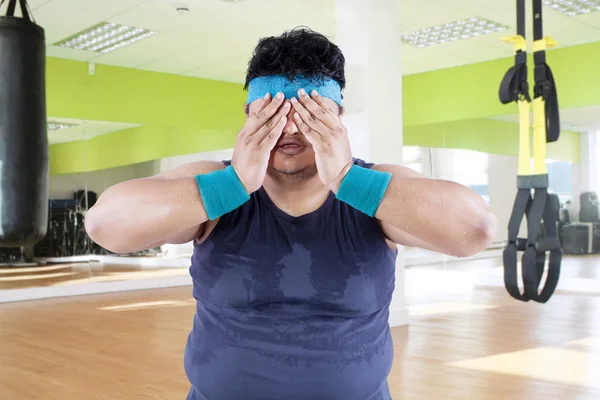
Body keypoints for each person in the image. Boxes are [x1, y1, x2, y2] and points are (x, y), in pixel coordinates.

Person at [85, 28, 497, 400]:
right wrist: (233, 185)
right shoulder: (213, 186)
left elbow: (475, 229)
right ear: (249, 116)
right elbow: (104, 224)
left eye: (308, 113)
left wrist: (347, 179)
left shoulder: (375, 191)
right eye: (273, 113)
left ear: (336, 118)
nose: (290, 130)